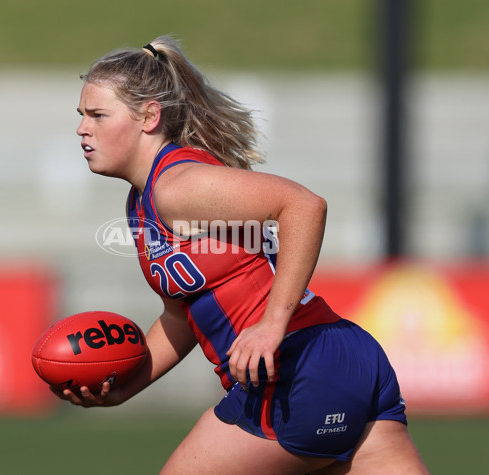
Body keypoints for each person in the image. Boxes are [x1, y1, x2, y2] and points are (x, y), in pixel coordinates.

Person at [54, 36, 429, 474]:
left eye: (98, 115)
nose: (83, 128)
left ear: (149, 117)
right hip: (344, 362)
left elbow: (305, 206)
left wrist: (271, 325)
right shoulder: (143, 202)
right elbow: (181, 317)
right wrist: (126, 386)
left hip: (293, 369)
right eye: (81, 116)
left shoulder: (176, 186)